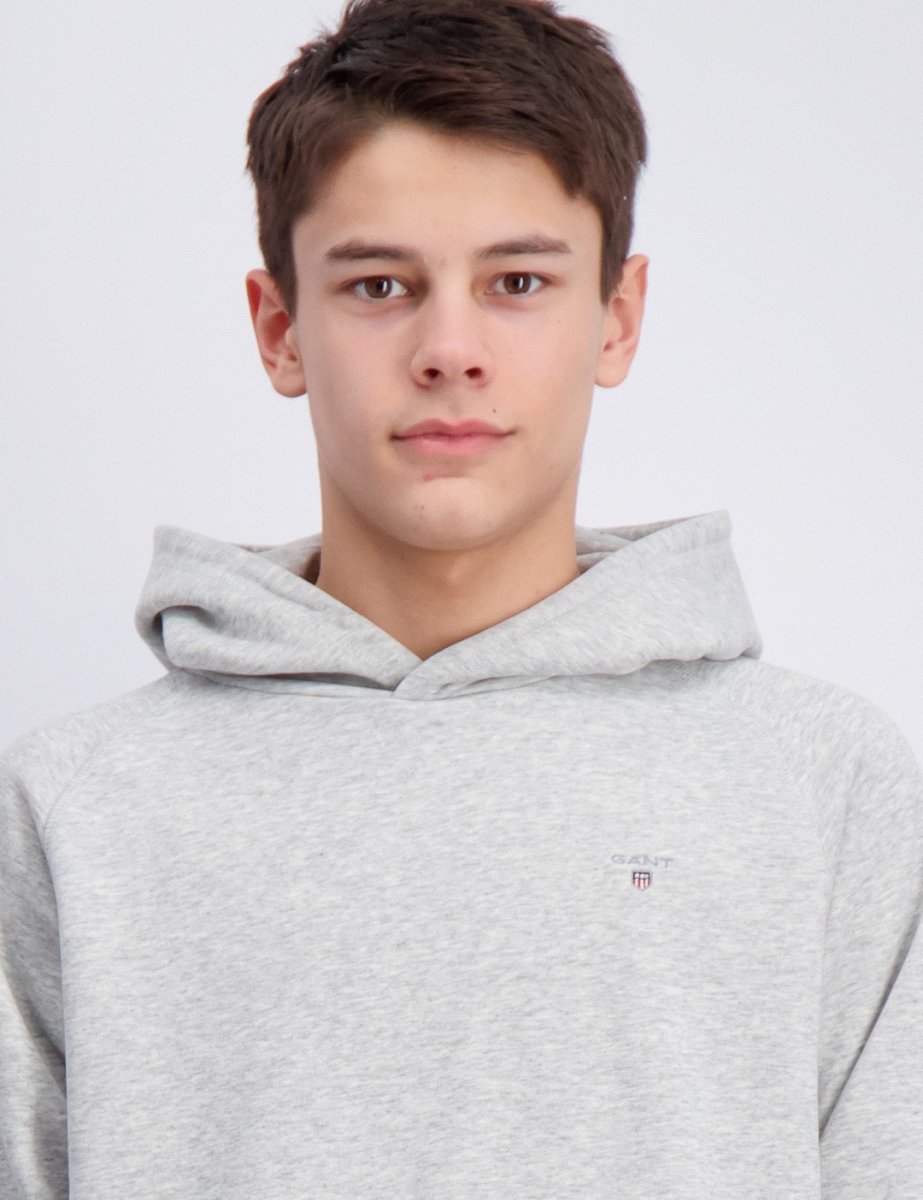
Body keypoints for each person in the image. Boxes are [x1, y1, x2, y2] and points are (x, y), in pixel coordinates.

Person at [1, 0, 920, 1195]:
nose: (449, 348)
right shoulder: (77, 806)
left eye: (517, 280)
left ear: (617, 318)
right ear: (280, 330)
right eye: (379, 285)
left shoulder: (820, 781)